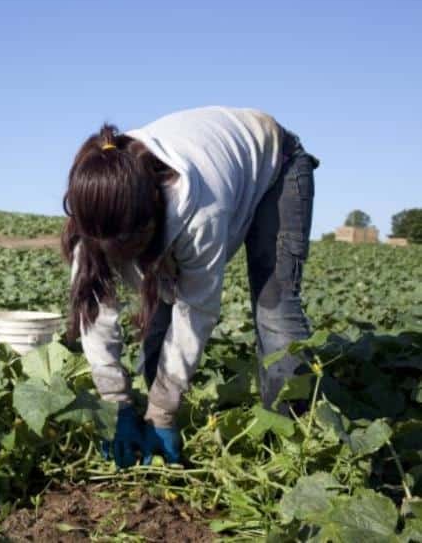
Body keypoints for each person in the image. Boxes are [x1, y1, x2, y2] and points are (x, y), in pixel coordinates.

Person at [61, 106, 320, 468]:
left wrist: (164, 411)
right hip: (215, 168)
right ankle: (144, 418)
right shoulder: (95, 216)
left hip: (276, 166)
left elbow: (194, 311)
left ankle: (293, 445)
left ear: (151, 219)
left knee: (274, 309)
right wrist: (114, 404)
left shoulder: (199, 213)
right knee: (159, 309)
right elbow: (96, 314)